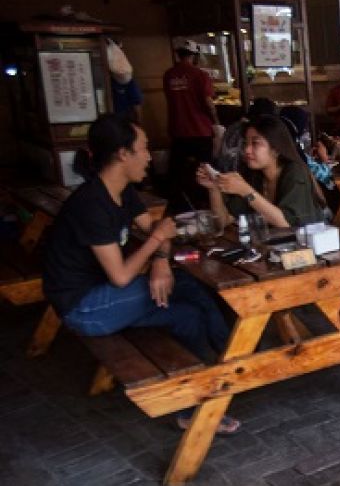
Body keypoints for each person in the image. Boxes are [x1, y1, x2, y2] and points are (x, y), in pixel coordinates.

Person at [42, 115, 238, 433]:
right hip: (86, 307)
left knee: (188, 315)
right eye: (144, 149)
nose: (149, 156)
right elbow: (123, 274)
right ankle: (233, 364)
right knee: (190, 284)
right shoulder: (92, 204)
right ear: (123, 154)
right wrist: (159, 241)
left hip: (110, 295)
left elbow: (154, 230)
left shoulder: (123, 191)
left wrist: (160, 260)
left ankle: (198, 403)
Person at [198, 114, 326, 229]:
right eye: (246, 143)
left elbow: (286, 223)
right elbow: (223, 221)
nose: (247, 150)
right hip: (274, 249)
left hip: (309, 249)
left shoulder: (295, 172)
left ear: (276, 149)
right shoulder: (254, 175)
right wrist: (213, 189)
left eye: (255, 143)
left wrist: (246, 191)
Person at [163, 40, 221, 210]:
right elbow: (208, 101)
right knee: (205, 170)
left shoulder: (169, 75)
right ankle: (207, 204)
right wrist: (216, 122)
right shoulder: (200, 75)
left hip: (178, 130)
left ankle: (180, 205)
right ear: (194, 56)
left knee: (178, 172)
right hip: (200, 130)